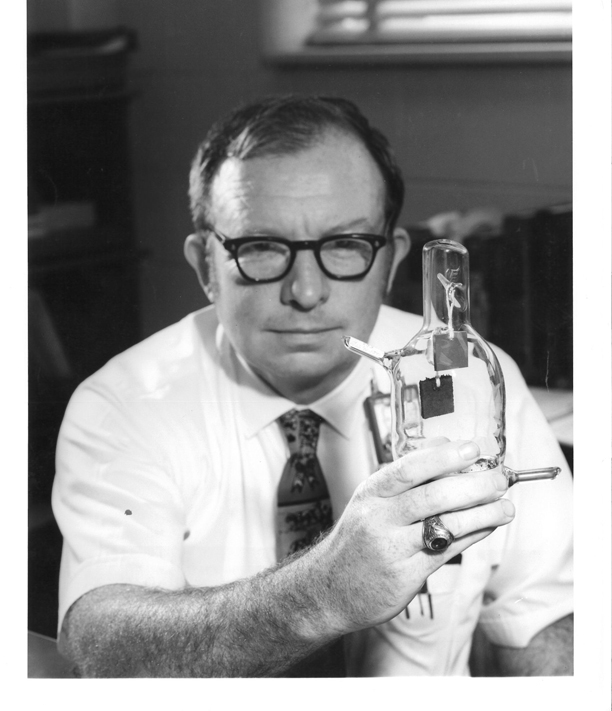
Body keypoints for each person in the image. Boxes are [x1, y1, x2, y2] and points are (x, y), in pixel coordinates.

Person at [52, 95, 573, 677]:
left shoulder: (474, 380)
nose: (305, 293)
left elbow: (545, 621)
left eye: (344, 245)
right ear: (205, 266)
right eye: (261, 248)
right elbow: (100, 646)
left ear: (391, 260)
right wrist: (325, 593)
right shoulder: (122, 405)